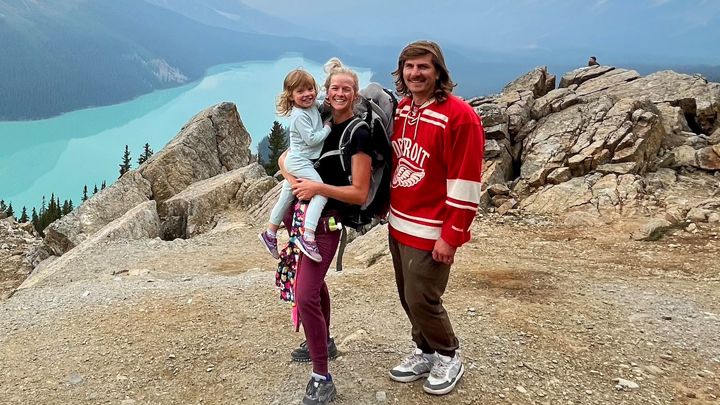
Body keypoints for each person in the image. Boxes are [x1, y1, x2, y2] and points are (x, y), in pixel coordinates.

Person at [387, 40, 485, 396]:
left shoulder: (459, 117)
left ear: (439, 71)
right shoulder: (402, 110)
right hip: (399, 223)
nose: (415, 73)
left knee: (422, 298)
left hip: (431, 229)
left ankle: (448, 354)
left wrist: (452, 234)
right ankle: (425, 351)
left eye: (423, 67)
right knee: (406, 295)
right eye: (409, 67)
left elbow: (466, 181)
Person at [279, 57, 373, 405]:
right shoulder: (318, 119)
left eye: (346, 89)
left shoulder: (358, 134)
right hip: (303, 219)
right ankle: (326, 342)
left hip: (326, 223)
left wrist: (318, 189)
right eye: (334, 88)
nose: (339, 93)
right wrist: (291, 178)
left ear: (355, 93)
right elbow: (286, 158)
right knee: (313, 288)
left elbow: (359, 192)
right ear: (326, 91)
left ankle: (322, 378)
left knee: (305, 295)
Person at [259, 69, 332, 263]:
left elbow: (320, 105)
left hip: (297, 160)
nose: (307, 94)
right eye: (301, 91)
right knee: (321, 192)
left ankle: (270, 233)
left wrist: (326, 101)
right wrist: (327, 128)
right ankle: (307, 236)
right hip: (299, 161)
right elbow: (311, 140)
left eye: (310, 89)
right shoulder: (299, 115)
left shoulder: (310, 107)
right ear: (291, 96)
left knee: (284, 198)